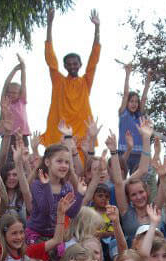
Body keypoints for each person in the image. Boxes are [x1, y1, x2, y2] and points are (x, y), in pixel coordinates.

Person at [40, 8, 100, 157]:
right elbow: (50, 59)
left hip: (81, 135)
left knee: (82, 174)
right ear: (65, 66)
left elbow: (93, 60)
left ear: (80, 64)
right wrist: (49, 24)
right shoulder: (59, 81)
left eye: (75, 63)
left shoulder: (85, 82)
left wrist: (97, 28)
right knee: (60, 167)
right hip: (60, 133)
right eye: (69, 64)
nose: (72, 66)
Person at [26, 144, 83, 243]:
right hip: (36, 234)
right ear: (47, 162)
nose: (64, 165)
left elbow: (71, 213)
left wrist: (80, 194)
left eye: (67, 162)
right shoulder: (38, 184)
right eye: (59, 161)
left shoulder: (67, 187)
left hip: (56, 234)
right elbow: (46, 210)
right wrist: (47, 186)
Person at [118, 63, 152, 174]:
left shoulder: (139, 116)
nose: (134, 104)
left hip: (139, 154)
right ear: (127, 102)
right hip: (124, 152)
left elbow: (144, 99)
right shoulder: (123, 114)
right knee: (121, 178)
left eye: (136, 102)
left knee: (137, 180)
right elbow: (126, 93)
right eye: (131, 101)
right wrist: (127, 74)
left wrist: (147, 82)